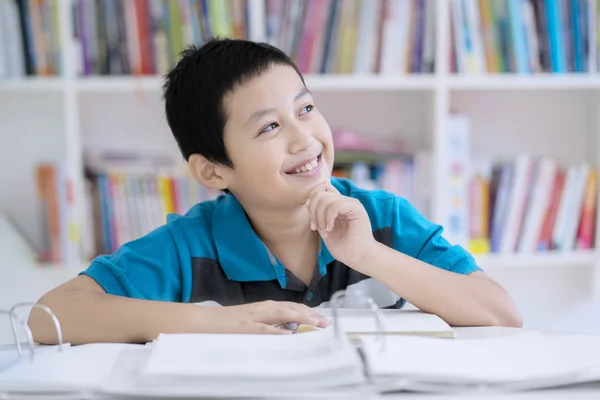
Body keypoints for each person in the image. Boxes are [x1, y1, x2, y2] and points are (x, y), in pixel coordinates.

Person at [29, 39, 521, 345]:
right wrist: (215, 324)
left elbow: (500, 314)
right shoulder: (188, 246)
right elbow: (49, 317)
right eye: (268, 128)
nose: (303, 138)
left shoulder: (380, 216)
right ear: (214, 171)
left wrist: (370, 255)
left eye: (305, 109)